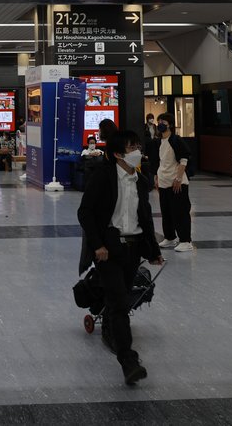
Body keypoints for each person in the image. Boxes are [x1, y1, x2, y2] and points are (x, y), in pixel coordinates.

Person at [77, 130, 164, 386]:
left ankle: (110, 330)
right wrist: (97, 245)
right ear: (117, 154)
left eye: (138, 146)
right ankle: (129, 361)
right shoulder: (103, 177)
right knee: (117, 302)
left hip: (133, 247)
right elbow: (85, 212)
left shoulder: (139, 179)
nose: (137, 151)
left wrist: (154, 251)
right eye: (131, 148)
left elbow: (145, 217)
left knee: (122, 300)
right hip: (109, 249)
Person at [146, 113, 194, 252]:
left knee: (180, 211)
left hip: (177, 181)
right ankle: (170, 237)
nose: (160, 124)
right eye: (159, 121)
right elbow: (158, 162)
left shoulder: (176, 140)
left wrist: (179, 178)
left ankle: (185, 240)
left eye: (163, 122)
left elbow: (184, 159)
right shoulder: (158, 142)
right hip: (163, 181)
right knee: (166, 211)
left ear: (170, 125)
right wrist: (156, 177)